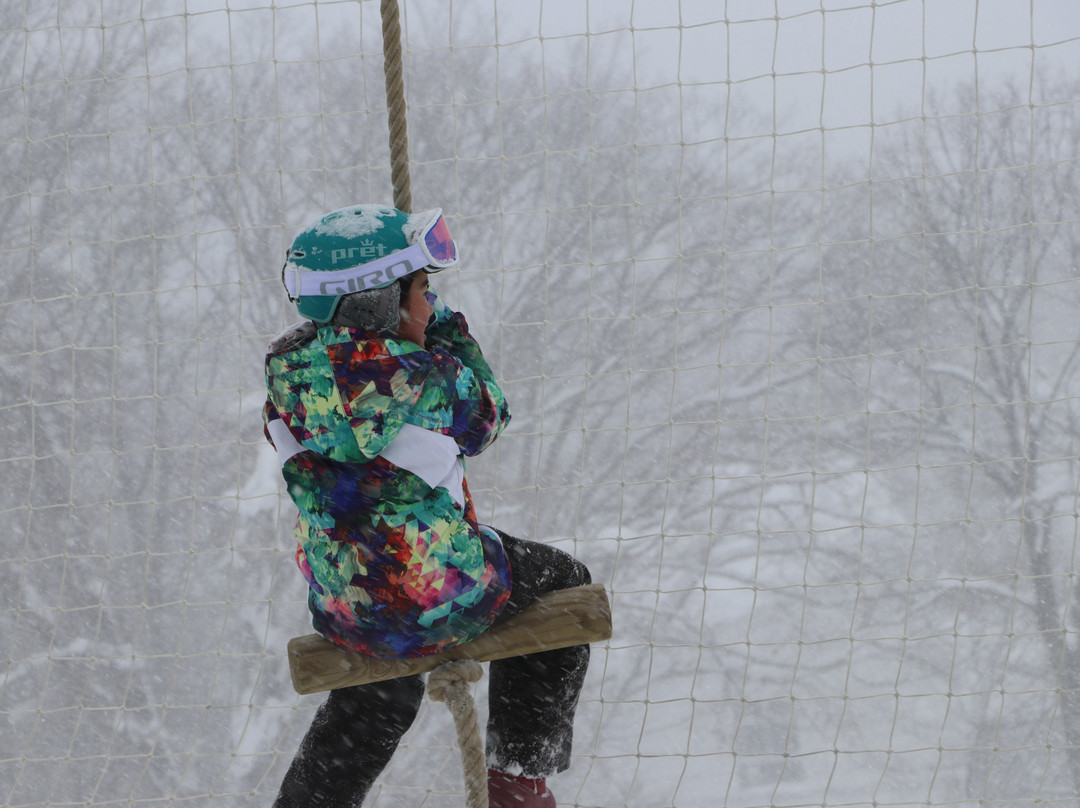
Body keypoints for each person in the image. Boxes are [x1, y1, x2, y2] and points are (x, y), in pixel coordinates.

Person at [263, 204, 591, 808]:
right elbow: (489, 417)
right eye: (421, 291)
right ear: (378, 304)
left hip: (346, 600)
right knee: (565, 583)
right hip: (440, 590)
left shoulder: (286, 378)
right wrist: (450, 335)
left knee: (381, 690)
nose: (430, 306)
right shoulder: (424, 377)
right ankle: (519, 773)